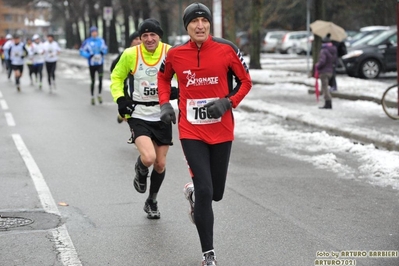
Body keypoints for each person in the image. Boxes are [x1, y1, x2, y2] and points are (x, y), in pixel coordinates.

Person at [157, 3, 252, 265]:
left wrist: (228, 102)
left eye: (204, 21)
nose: (200, 25)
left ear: (210, 24)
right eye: (194, 21)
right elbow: (163, 79)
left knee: (215, 193)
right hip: (191, 131)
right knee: (205, 188)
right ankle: (208, 254)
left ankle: (196, 196)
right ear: (186, 27)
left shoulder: (227, 49)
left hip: (221, 130)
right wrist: (165, 104)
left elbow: (246, 81)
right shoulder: (175, 54)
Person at [110, 18, 176, 220]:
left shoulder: (170, 53)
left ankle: (152, 201)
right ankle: (140, 168)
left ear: (159, 36)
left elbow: (184, 76)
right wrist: (121, 99)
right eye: (144, 35)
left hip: (162, 113)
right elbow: (116, 77)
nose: (148, 39)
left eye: (153, 35)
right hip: (138, 114)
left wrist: (177, 91)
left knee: (160, 164)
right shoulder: (131, 54)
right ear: (140, 37)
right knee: (149, 158)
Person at [110, 31, 141, 123]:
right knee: (132, 114)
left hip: (142, 87)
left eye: (140, 39)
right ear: (131, 42)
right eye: (136, 39)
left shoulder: (145, 54)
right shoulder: (126, 54)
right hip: (128, 87)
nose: (139, 41)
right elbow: (113, 68)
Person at [80, 26, 108, 105]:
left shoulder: (101, 41)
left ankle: (99, 94)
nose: (94, 33)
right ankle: (92, 96)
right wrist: (88, 55)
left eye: (95, 32)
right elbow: (81, 51)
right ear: (91, 33)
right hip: (92, 64)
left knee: (100, 79)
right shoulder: (87, 41)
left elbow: (105, 48)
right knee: (92, 81)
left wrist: (103, 52)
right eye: (93, 32)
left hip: (100, 64)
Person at [315, 35, 337, 109]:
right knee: (325, 87)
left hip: (324, 72)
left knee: (325, 88)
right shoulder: (333, 50)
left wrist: (317, 65)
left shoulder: (324, 50)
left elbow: (322, 61)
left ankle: (328, 103)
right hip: (330, 71)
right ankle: (328, 102)